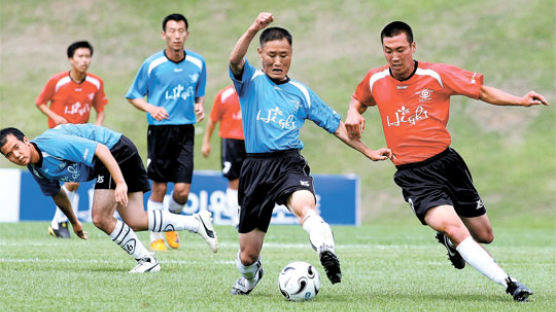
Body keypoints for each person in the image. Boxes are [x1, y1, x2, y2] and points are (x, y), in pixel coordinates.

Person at [345, 21, 549, 302]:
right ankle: (510, 284)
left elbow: (483, 92)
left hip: (449, 164)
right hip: (414, 175)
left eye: (400, 50)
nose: (394, 57)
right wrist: (353, 112)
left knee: (484, 234)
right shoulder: (375, 79)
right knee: (455, 227)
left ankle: (452, 244)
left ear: (413, 47)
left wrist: (521, 101)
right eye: (388, 50)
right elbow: (358, 99)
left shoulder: (436, 75)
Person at [228, 12, 392, 295]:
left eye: (284, 55)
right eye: (271, 55)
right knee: (247, 256)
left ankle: (326, 248)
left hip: (289, 163)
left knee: (306, 207)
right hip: (255, 167)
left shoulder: (301, 93)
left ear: (291, 55)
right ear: (260, 53)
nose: (277, 61)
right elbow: (234, 60)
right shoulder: (250, 81)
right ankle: (250, 276)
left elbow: (336, 127)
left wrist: (368, 151)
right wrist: (254, 26)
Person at [0, 124, 218, 273]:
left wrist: (120, 182)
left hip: (115, 151)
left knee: (100, 217)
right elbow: (58, 194)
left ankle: (147, 261)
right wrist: (74, 222)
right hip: (116, 155)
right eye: (9, 154)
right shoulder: (36, 169)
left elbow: (101, 149)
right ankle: (195, 222)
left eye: (16, 147)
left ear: (26, 141)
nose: (16, 155)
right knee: (135, 219)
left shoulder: (52, 144)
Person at [126, 13, 207, 252]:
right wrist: (150, 107)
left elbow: (198, 93)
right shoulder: (152, 64)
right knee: (159, 188)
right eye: (172, 31)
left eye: (181, 31)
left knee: (182, 191)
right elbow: (133, 95)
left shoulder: (198, 63)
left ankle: (170, 224)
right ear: (164, 35)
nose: (177, 36)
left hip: (185, 130)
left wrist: (200, 104)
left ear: (187, 34)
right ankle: (155, 236)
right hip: (160, 131)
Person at [35, 41, 108, 238]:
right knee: (72, 180)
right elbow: (40, 102)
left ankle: (60, 223)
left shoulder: (96, 82)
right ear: (71, 59)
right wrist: (55, 116)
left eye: (87, 56)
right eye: (80, 56)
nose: (84, 61)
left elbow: (100, 108)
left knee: (73, 181)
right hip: (58, 138)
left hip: (80, 137)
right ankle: (59, 223)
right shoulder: (57, 81)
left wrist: (98, 125)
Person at [201, 85, 245, 227]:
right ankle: (236, 219)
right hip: (231, 141)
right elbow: (212, 120)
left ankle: (248, 216)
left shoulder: (256, 93)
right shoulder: (224, 95)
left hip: (252, 141)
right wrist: (206, 142)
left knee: (252, 181)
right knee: (234, 181)